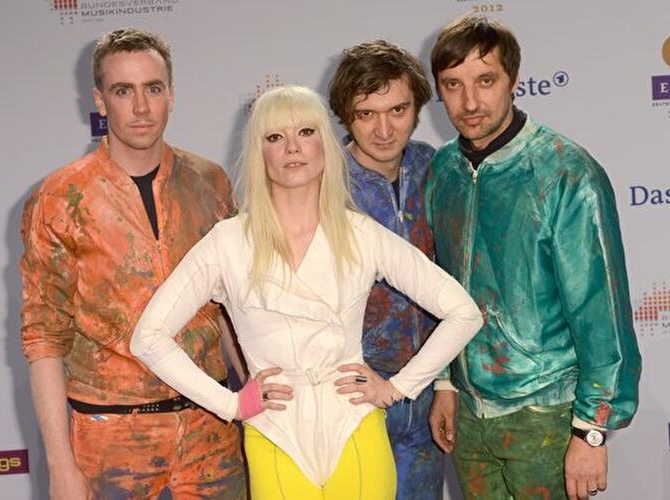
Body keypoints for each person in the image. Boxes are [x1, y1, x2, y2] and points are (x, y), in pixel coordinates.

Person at [130, 85, 483, 500]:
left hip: (355, 429)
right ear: (259, 153)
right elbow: (148, 337)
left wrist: (396, 388)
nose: (293, 148)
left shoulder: (360, 234)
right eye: (275, 137)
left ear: (325, 145)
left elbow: (463, 312)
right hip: (275, 434)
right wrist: (230, 405)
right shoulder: (227, 243)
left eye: (306, 132)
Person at [20, 28, 245, 498]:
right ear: (100, 101)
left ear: (171, 95)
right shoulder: (59, 198)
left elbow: (231, 309)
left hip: (212, 437)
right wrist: (60, 465)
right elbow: (43, 339)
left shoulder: (210, 183)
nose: (141, 107)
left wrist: (253, 399)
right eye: (124, 91)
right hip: (111, 444)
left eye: (153, 89)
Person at [426, 15, 642, 500]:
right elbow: (440, 283)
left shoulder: (566, 172)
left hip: (547, 414)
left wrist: (591, 430)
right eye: (453, 85)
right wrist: (445, 382)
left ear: (514, 80)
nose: (470, 102)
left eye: (486, 81)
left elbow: (601, 312)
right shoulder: (444, 170)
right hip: (469, 418)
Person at [327, 40, 444, 499]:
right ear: (345, 115)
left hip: (426, 396)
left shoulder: (437, 169)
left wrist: (447, 385)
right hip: (350, 399)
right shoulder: (321, 182)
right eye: (366, 114)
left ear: (417, 107)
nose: (383, 129)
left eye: (397, 110)